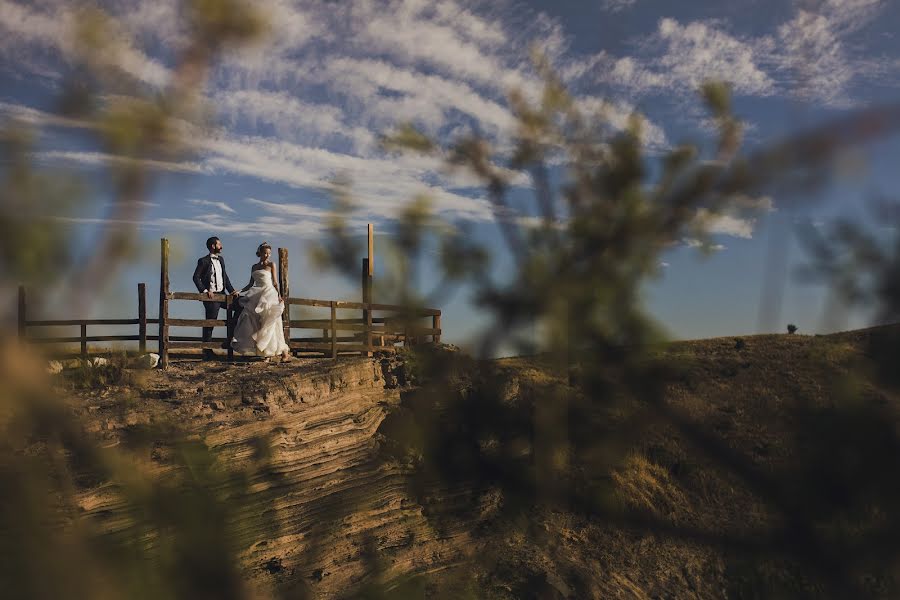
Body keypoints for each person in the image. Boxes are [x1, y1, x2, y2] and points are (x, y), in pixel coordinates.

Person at [231, 242, 292, 362]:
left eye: (269, 253)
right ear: (260, 253)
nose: (267, 255)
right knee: (255, 322)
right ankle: (264, 352)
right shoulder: (254, 267)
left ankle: (279, 352)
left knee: (270, 323)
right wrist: (239, 290)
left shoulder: (271, 264)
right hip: (256, 294)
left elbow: (275, 282)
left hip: (269, 294)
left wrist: (279, 295)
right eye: (265, 253)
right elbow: (250, 284)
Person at [192, 236, 239, 360]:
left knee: (241, 305)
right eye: (219, 244)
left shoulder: (221, 260)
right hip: (211, 297)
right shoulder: (203, 261)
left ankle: (231, 336)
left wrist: (232, 290)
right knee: (210, 323)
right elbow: (196, 277)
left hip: (223, 295)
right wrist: (205, 291)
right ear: (213, 246)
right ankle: (207, 352)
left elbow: (225, 277)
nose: (221, 246)